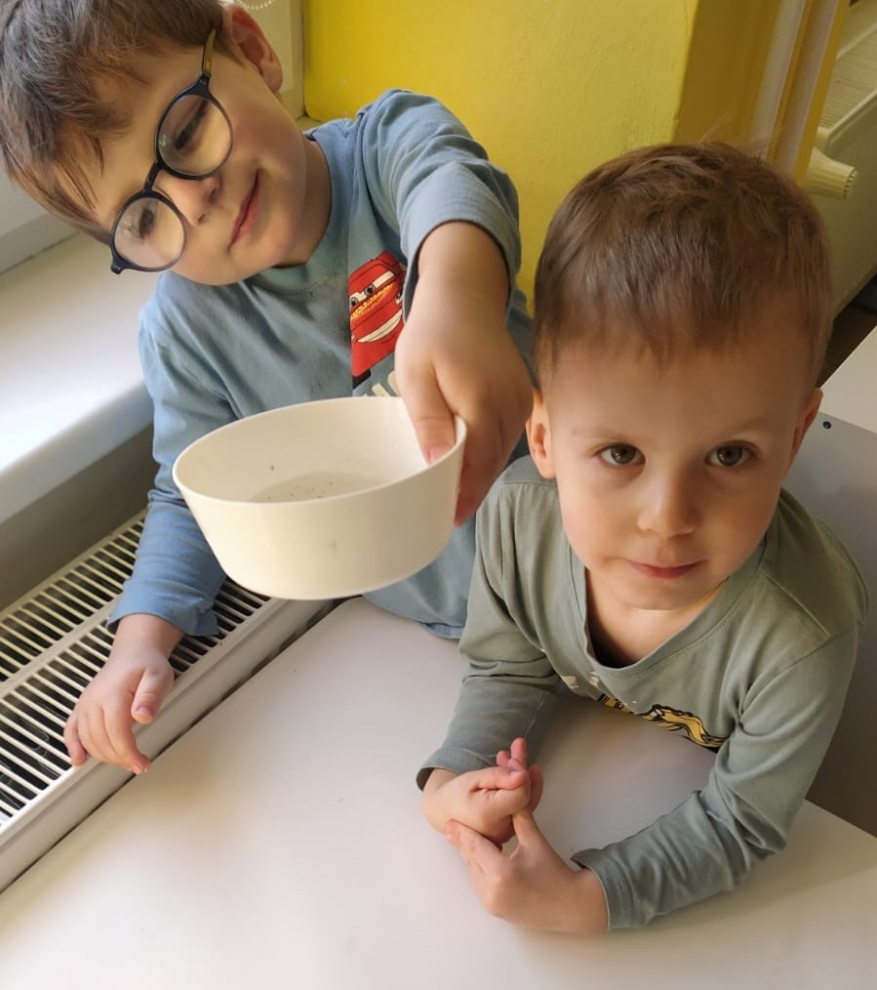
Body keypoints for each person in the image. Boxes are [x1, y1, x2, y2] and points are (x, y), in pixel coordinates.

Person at [0, 0, 533, 773]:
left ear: (252, 49)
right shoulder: (185, 331)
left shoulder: (387, 146)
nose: (193, 200)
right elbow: (190, 496)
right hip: (469, 641)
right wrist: (139, 643)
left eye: (185, 131)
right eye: (143, 218)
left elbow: (453, 186)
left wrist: (457, 298)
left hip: (602, 548)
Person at [419, 142, 868, 931]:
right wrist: (453, 779)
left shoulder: (805, 634)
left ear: (795, 435)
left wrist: (590, 899)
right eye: (620, 453)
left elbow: (742, 819)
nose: (667, 516)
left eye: (729, 455)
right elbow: (509, 663)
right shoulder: (517, 521)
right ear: (543, 435)